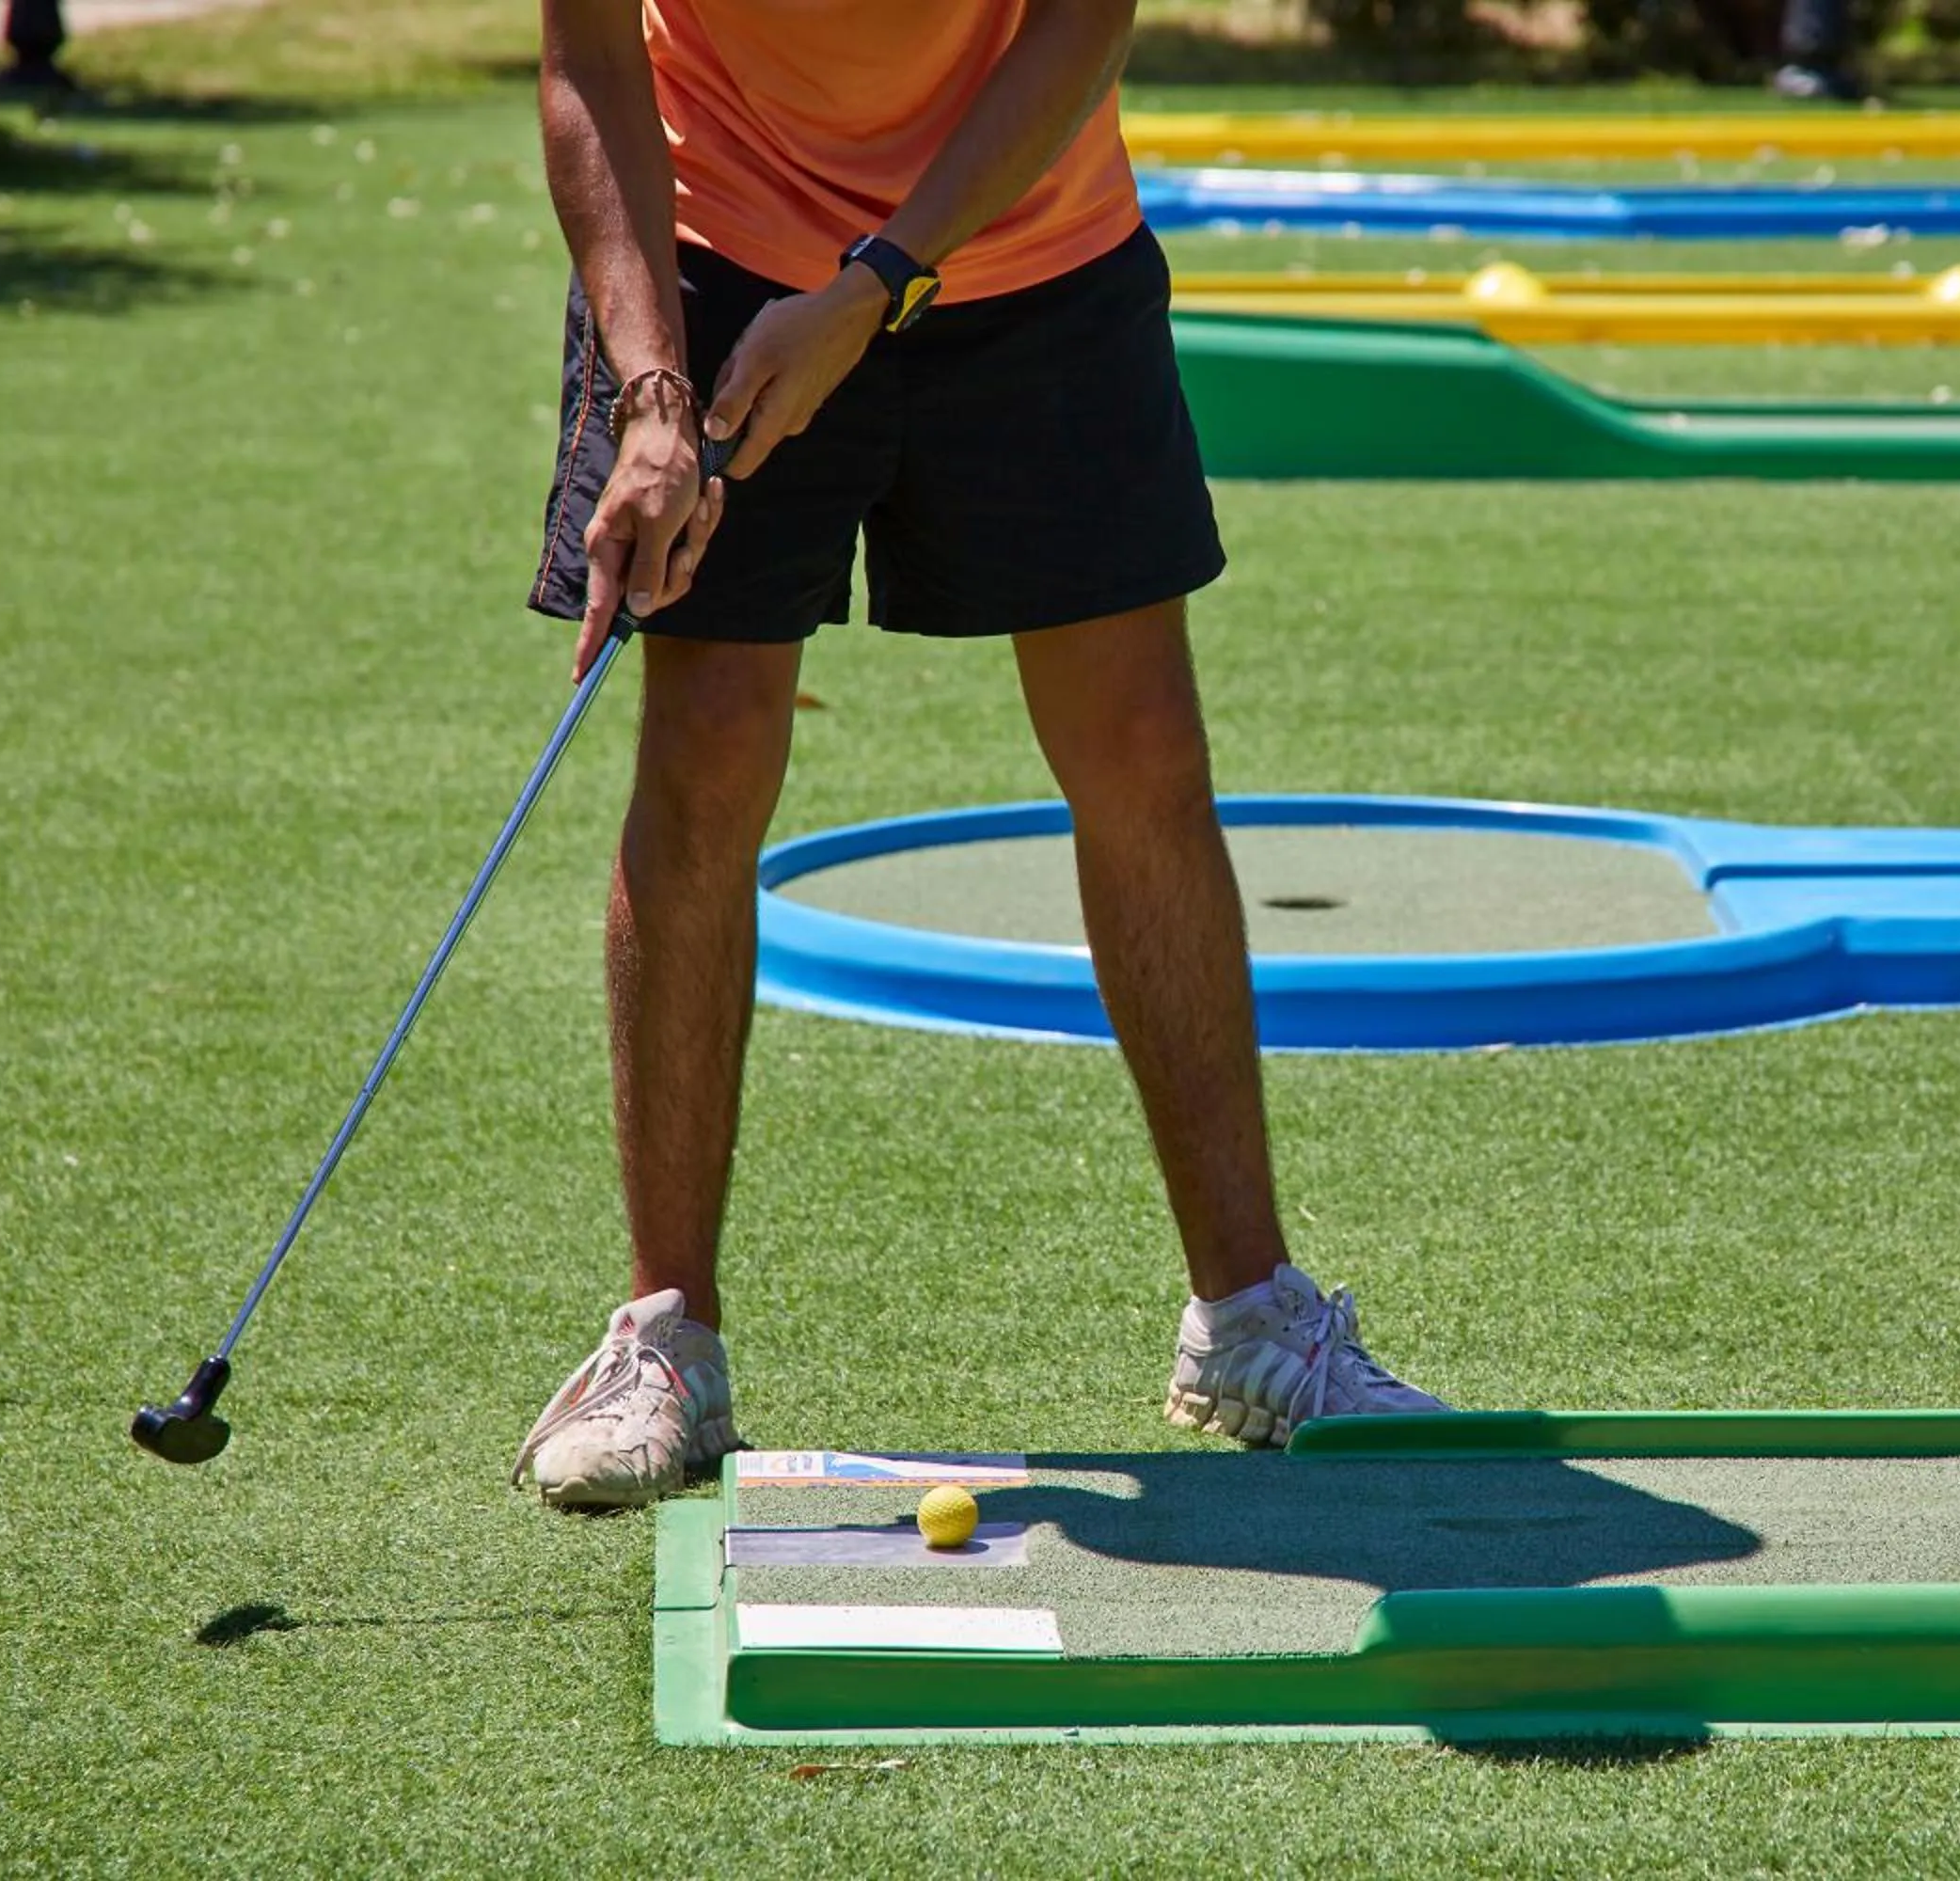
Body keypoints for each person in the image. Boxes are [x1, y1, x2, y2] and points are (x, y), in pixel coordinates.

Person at [507, 0, 1445, 1510]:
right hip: (723, 257)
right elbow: (591, 65)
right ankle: (666, 1341)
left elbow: (1084, 19)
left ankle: (1251, 1320)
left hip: (1029, 246)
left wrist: (876, 284)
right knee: (708, 754)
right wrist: (652, 400)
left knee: (1140, 747)